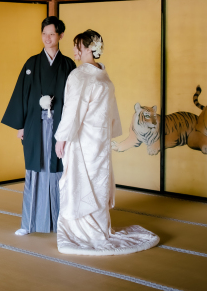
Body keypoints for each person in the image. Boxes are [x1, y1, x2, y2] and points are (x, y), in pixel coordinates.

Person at [54, 30, 159, 255]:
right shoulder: (103, 73)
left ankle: (83, 230)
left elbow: (72, 110)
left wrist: (61, 137)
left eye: (78, 47)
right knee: (97, 179)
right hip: (99, 138)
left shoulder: (79, 75)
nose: (74, 51)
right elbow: (108, 109)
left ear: (90, 48)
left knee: (83, 180)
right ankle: (99, 227)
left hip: (82, 138)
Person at [1, 16, 76, 235]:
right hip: (35, 124)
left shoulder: (68, 65)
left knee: (57, 170)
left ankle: (61, 223)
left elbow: (72, 100)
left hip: (59, 127)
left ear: (61, 35)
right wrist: (21, 125)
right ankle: (29, 223)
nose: (47, 38)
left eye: (52, 34)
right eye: (44, 33)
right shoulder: (32, 63)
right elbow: (22, 95)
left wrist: (69, 129)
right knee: (35, 169)